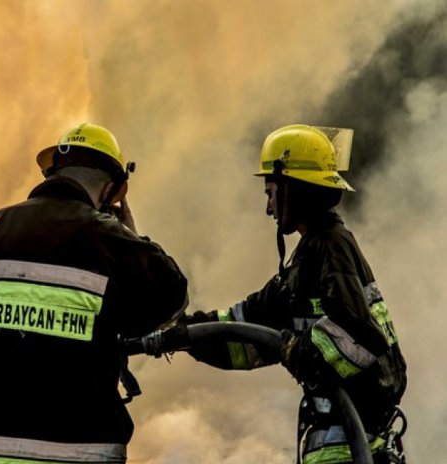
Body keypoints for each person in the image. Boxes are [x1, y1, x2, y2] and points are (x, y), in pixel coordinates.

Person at [0, 122, 188, 464]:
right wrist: (133, 236)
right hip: (74, 453)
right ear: (110, 192)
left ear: (52, 174)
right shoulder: (108, 238)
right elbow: (172, 299)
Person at [174, 124, 407, 463]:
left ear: (292, 189)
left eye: (270, 193)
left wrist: (302, 350)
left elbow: (359, 333)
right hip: (336, 444)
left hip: (352, 448)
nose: (268, 208)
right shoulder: (307, 260)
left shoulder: (332, 246)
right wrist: (181, 335)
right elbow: (244, 329)